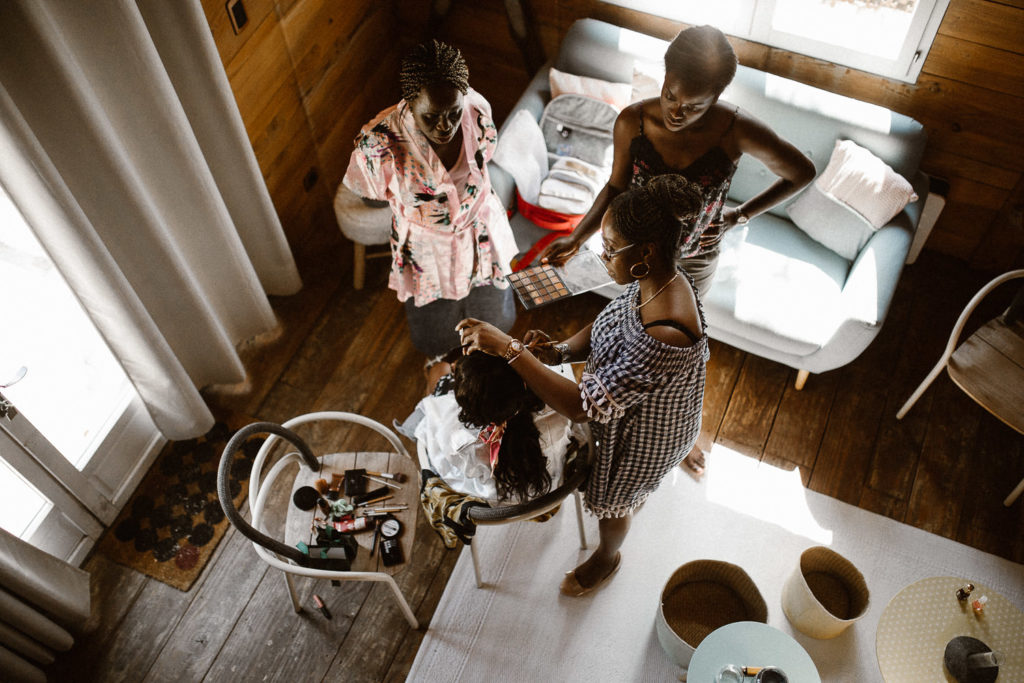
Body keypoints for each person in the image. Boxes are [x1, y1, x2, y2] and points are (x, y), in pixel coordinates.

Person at [539, 25, 815, 475]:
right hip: (633, 254)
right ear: (663, 77)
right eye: (671, 95)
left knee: (676, 349)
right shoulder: (633, 120)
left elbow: (802, 171)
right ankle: (617, 409)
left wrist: (738, 215)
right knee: (628, 331)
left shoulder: (735, 130)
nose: (676, 111)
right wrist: (577, 236)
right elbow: (614, 186)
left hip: (693, 261)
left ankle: (676, 431)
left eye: (694, 106)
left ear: (718, 98)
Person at [458, 175, 708, 596]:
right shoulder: (656, 279)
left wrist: (511, 348)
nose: (601, 257)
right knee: (613, 484)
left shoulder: (668, 332)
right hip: (632, 405)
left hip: (648, 432)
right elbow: (612, 322)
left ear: (645, 252)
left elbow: (581, 407)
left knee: (614, 499)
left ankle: (607, 558)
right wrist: (556, 352)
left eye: (609, 250)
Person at [343, 40, 518, 384]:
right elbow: (372, 196)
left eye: (453, 113)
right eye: (431, 117)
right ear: (410, 103)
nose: (445, 126)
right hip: (426, 245)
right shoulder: (378, 144)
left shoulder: (477, 109)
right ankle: (441, 364)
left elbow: (484, 158)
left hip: (479, 229)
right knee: (436, 327)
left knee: (492, 309)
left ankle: (488, 355)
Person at [410, 349, 579, 504]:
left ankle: (438, 366)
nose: (455, 365)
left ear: (469, 410)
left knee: (439, 370)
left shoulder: (461, 439)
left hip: (495, 497)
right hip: (552, 480)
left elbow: (442, 441)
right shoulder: (556, 407)